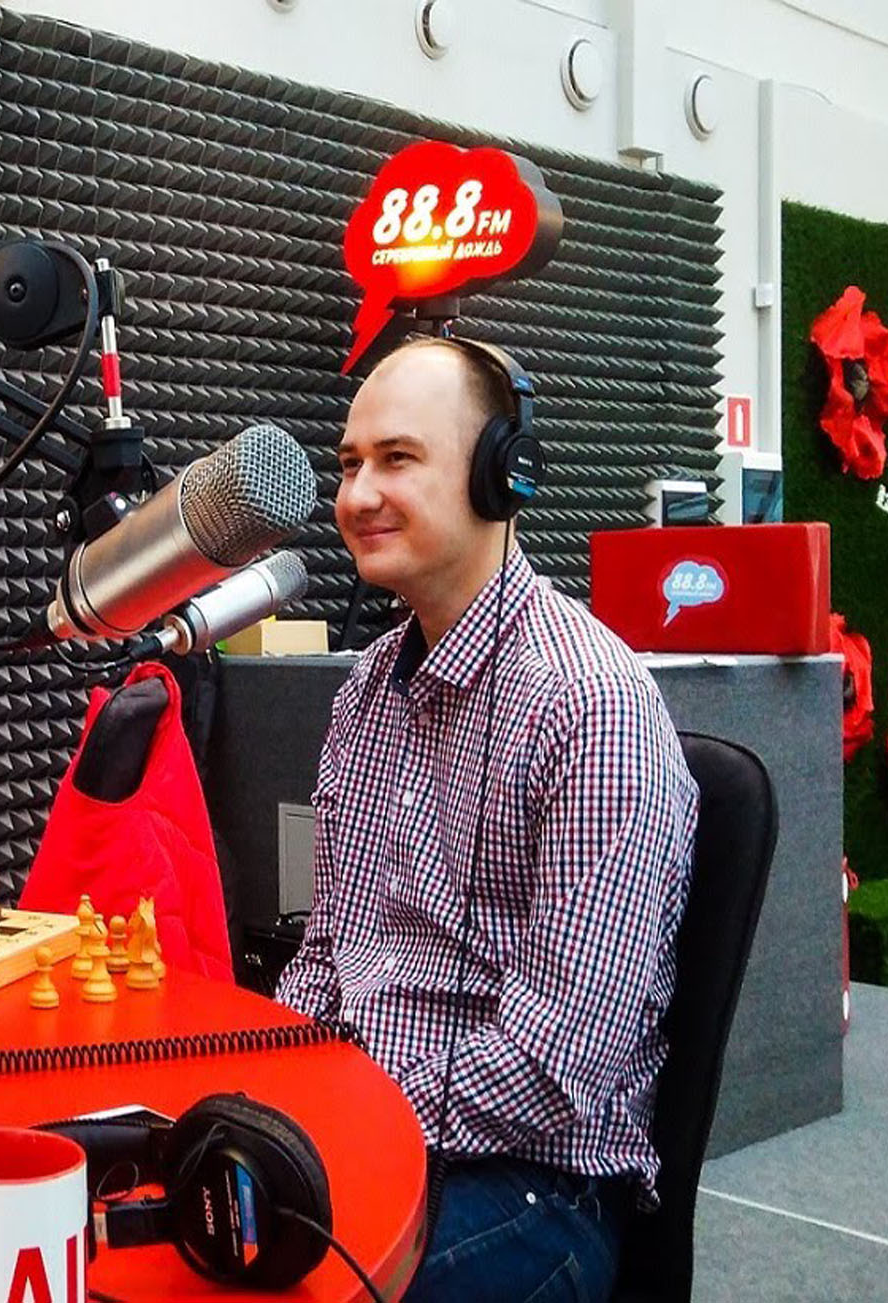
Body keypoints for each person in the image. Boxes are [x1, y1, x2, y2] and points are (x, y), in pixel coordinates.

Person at [275, 337, 697, 1302]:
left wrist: (350, 1106)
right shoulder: (367, 691)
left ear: (503, 474)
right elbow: (327, 954)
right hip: (367, 1126)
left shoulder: (590, 707)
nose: (358, 495)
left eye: (398, 458)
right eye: (350, 463)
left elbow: (558, 1065)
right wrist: (275, 1090)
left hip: (536, 1184)